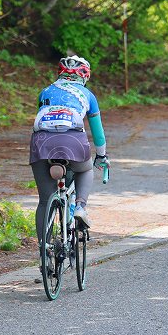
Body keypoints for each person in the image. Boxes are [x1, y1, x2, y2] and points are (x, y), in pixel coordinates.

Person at [29, 55, 109, 238]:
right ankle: (80, 206)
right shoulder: (88, 95)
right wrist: (102, 156)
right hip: (73, 139)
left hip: (41, 142)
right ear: (85, 76)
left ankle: (44, 249)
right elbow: (98, 132)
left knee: (44, 201)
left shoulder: (45, 92)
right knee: (85, 170)